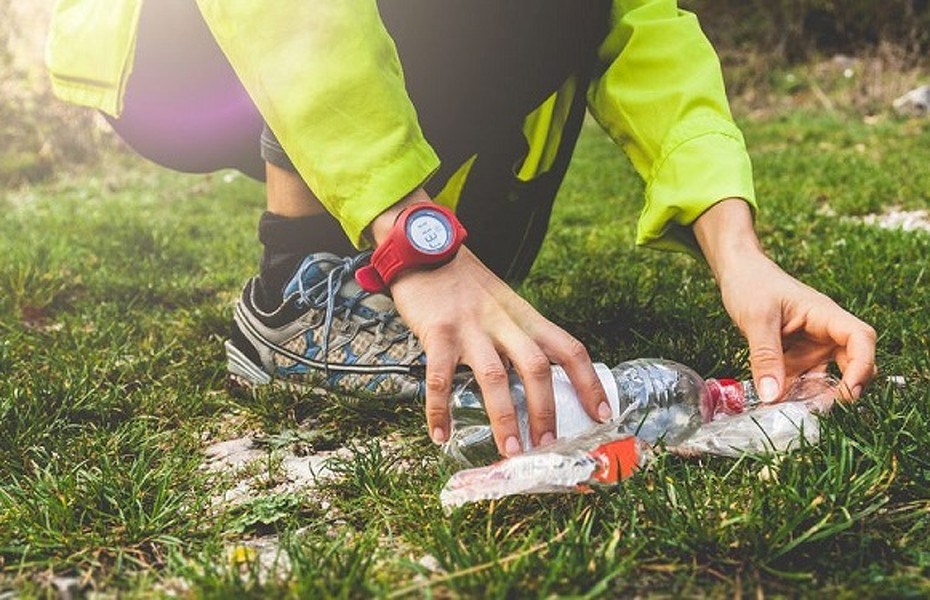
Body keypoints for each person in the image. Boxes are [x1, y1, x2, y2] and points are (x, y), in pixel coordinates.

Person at [46, 0, 876, 459]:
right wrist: (413, 233)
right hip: (174, 44)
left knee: (499, 261)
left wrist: (738, 252)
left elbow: (644, 22)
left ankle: (364, 270)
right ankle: (295, 284)